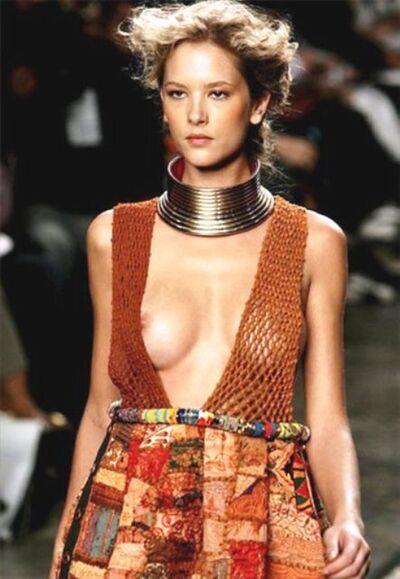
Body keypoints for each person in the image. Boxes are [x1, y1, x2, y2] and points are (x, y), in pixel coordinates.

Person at [49, 1, 371, 577]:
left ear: (259, 103)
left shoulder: (314, 242)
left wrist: (347, 516)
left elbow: (327, 417)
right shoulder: (116, 236)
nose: (196, 114)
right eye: (178, 93)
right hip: (129, 525)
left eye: (218, 93)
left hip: (265, 525)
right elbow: (100, 409)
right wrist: (68, 540)